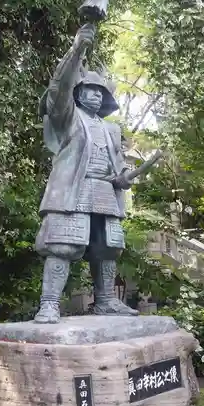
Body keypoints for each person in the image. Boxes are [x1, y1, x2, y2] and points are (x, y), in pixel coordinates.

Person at [34, 23, 138, 323]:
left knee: (108, 248)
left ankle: (105, 300)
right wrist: (77, 48)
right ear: (79, 93)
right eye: (89, 89)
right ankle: (49, 303)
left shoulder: (112, 129)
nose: (94, 95)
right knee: (64, 245)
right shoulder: (67, 118)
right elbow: (59, 90)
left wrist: (122, 178)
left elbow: (117, 164)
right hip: (73, 187)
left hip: (105, 191)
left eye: (99, 91)